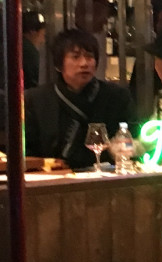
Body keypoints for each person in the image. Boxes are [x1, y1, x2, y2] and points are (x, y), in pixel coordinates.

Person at [25, 28, 135, 170]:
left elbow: (132, 138)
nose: (84, 63)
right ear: (58, 64)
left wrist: (122, 148)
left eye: (89, 57)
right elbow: (27, 151)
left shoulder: (117, 96)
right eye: (75, 57)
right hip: (51, 175)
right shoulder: (36, 99)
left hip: (106, 176)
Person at [0, 10, 44, 91]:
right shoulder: (28, 50)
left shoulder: (4, 46)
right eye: (43, 35)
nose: (43, 40)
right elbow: (38, 78)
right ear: (32, 32)